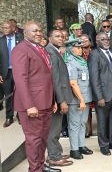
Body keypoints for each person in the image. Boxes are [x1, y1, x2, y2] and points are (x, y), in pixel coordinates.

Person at [12, 21, 58, 172]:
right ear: (25, 33)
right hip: (32, 105)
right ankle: (35, 169)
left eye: (40, 30)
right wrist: (29, 105)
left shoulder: (39, 48)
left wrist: (53, 100)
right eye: (34, 31)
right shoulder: (20, 50)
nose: (39, 33)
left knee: (42, 139)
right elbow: (20, 79)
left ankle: (40, 166)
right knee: (34, 140)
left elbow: (47, 77)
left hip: (45, 102)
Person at [88, 32, 112, 156]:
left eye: (107, 39)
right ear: (97, 41)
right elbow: (94, 78)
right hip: (103, 95)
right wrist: (99, 97)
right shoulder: (94, 54)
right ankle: (104, 145)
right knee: (102, 121)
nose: (106, 41)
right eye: (103, 39)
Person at [45, 30, 74, 167]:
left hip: (59, 96)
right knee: (54, 129)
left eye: (62, 36)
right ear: (49, 38)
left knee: (56, 129)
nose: (61, 38)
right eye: (57, 36)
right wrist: (61, 100)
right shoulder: (51, 52)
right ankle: (54, 157)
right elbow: (55, 79)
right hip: (57, 98)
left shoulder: (55, 51)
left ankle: (57, 152)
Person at [66, 40, 93, 159]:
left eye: (81, 48)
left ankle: (81, 145)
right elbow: (73, 83)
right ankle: (74, 149)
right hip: (76, 99)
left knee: (82, 123)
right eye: (77, 48)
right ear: (71, 49)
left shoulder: (81, 61)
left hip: (85, 97)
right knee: (75, 124)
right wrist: (81, 100)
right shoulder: (70, 62)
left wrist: (84, 99)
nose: (80, 50)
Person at [0, 20, 23, 127]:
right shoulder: (0, 40)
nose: (4, 30)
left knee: (20, 94)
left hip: (19, 71)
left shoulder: (21, 39)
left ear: (13, 28)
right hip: (6, 73)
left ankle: (20, 116)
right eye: (3, 28)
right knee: (8, 95)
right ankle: (9, 117)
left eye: (7, 27)